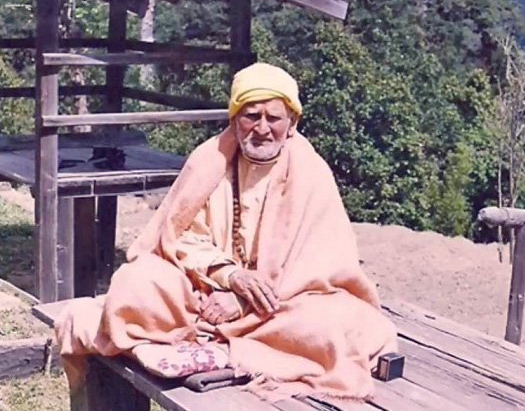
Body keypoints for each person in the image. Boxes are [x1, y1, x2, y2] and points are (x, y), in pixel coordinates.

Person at [55, 62, 398, 402]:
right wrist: (229, 276)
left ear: (292, 124)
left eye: (274, 118)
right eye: (251, 116)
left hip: (282, 306)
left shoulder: (311, 173)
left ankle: (222, 346)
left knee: (336, 327)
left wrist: (244, 301)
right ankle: (224, 344)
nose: (262, 129)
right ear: (234, 120)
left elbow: (321, 268)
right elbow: (177, 235)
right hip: (203, 293)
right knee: (135, 283)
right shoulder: (210, 159)